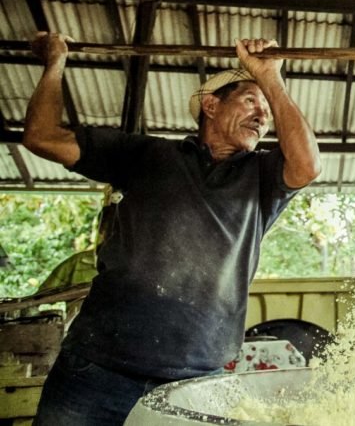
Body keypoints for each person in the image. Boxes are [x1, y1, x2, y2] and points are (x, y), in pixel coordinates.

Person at [23, 32, 321, 425]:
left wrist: (269, 79)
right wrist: (56, 61)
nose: (263, 115)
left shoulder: (263, 177)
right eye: (251, 100)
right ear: (211, 105)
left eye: (266, 108)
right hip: (95, 372)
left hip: (195, 384)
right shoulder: (148, 155)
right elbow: (42, 136)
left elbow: (308, 166)